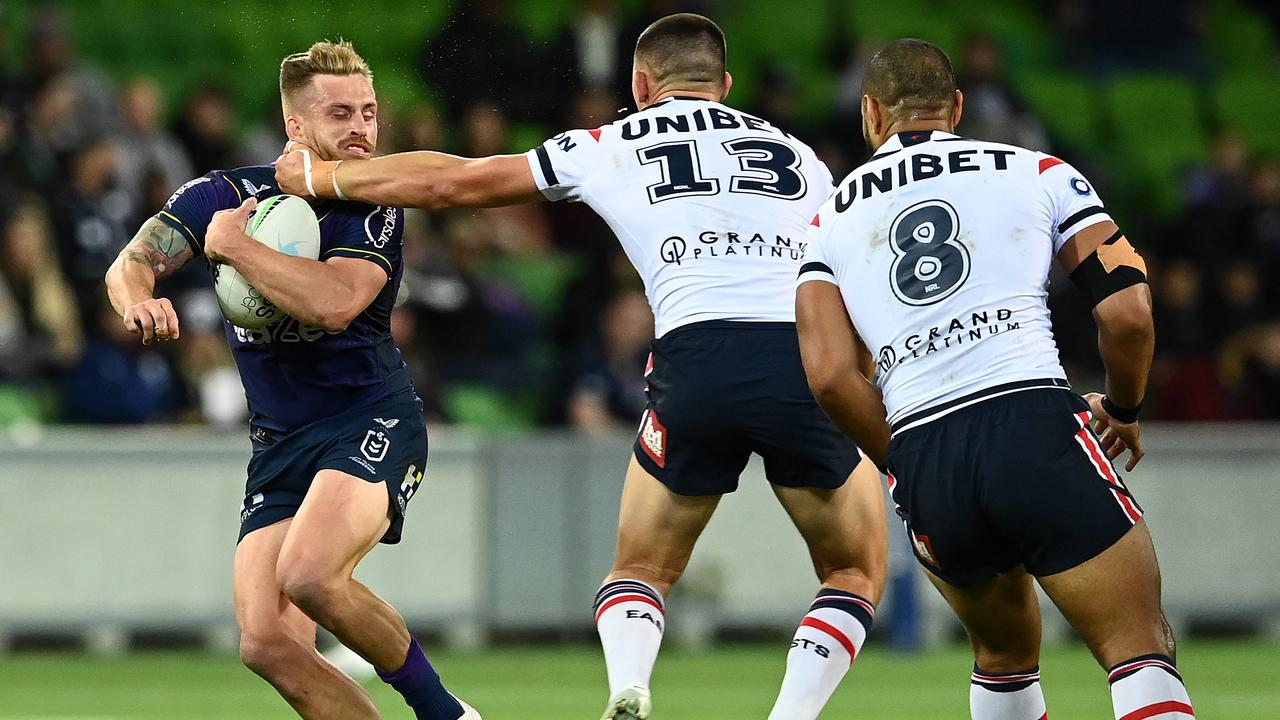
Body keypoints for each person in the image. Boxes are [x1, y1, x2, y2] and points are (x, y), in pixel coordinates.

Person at [276, 14, 887, 720]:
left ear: (638, 83)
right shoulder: (800, 154)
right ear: (724, 85)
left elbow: (459, 184)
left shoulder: (612, 141)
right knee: (852, 569)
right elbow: (845, 273)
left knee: (639, 571)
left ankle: (629, 683)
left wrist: (327, 175)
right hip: (798, 355)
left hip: (695, 359)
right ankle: (791, 716)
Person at [796, 39, 1193, 720]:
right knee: (1137, 647)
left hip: (926, 455)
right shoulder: (1035, 169)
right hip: (1030, 422)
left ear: (869, 114)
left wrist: (906, 461)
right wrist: (1123, 405)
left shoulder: (826, 220)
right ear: (955, 107)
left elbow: (830, 376)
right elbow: (1128, 313)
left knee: (1004, 659)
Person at [103, 41, 479, 720]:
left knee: (310, 575)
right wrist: (136, 297)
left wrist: (234, 247)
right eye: (342, 113)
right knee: (267, 641)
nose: (363, 127)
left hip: (371, 420)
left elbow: (334, 302)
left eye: (369, 111)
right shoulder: (225, 194)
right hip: (280, 442)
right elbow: (132, 259)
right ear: (297, 129)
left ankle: (446, 714)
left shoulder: (372, 204)